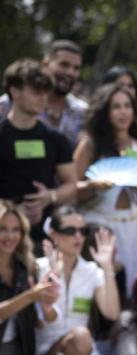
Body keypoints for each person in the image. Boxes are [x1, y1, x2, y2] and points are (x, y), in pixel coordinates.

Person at [34, 206, 122, 355]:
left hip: (82, 352)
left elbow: (111, 313)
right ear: (53, 234)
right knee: (82, 337)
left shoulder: (92, 271)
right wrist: (51, 280)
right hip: (44, 354)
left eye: (83, 231)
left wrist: (107, 267)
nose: (78, 237)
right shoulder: (38, 267)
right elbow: (42, 321)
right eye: (70, 230)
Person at [73, 84, 137, 289]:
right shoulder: (90, 145)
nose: (123, 112)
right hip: (101, 225)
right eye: (116, 107)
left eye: (127, 106)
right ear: (105, 112)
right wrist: (92, 186)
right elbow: (71, 188)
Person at [0, 200, 59, 355]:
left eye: (16, 230)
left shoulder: (26, 267)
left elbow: (43, 321)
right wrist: (30, 296)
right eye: (3, 229)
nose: (10, 236)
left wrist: (46, 304)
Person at [0, 59, 77, 235]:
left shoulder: (55, 138)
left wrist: (50, 197)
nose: (43, 98)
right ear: (14, 91)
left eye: (45, 92)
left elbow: (71, 184)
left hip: (44, 234)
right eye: (36, 92)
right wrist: (12, 209)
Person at [0, 40, 88, 146]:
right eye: (64, 65)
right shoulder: (7, 104)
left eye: (76, 68)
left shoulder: (83, 113)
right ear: (45, 64)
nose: (70, 72)